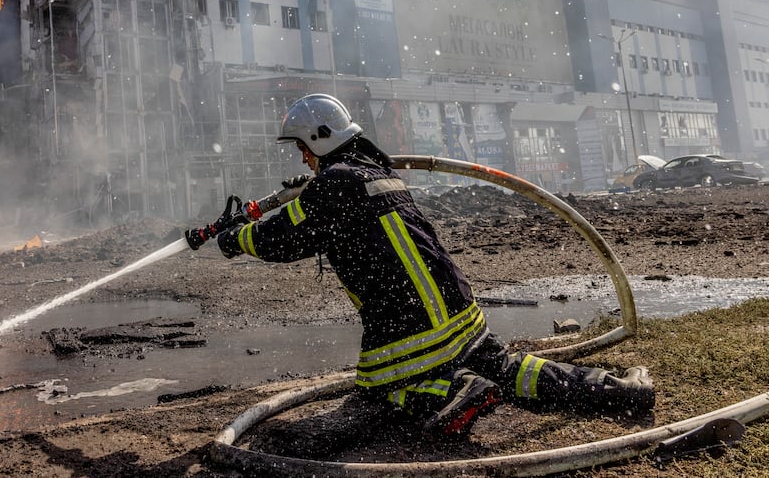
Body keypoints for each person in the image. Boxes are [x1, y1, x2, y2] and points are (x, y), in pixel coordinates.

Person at [217, 93, 654, 436]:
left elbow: (280, 240)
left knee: (377, 395)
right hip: (457, 308)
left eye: (302, 148)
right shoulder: (375, 173)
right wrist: (314, 187)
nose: (301, 158)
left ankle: (450, 391)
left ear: (319, 139)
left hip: (403, 323)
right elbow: (336, 213)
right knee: (508, 368)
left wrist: (234, 237)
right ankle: (620, 393)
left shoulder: (334, 185)